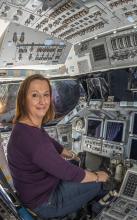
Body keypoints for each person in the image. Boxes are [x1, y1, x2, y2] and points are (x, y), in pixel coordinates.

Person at [7, 74, 109, 219]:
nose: (42, 101)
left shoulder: (25, 126)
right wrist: (98, 176)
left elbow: (45, 137)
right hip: (45, 202)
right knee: (103, 184)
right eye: (35, 95)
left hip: (36, 192)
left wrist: (64, 151)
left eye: (46, 94)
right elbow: (67, 172)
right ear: (23, 99)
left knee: (78, 166)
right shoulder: (33, 141)